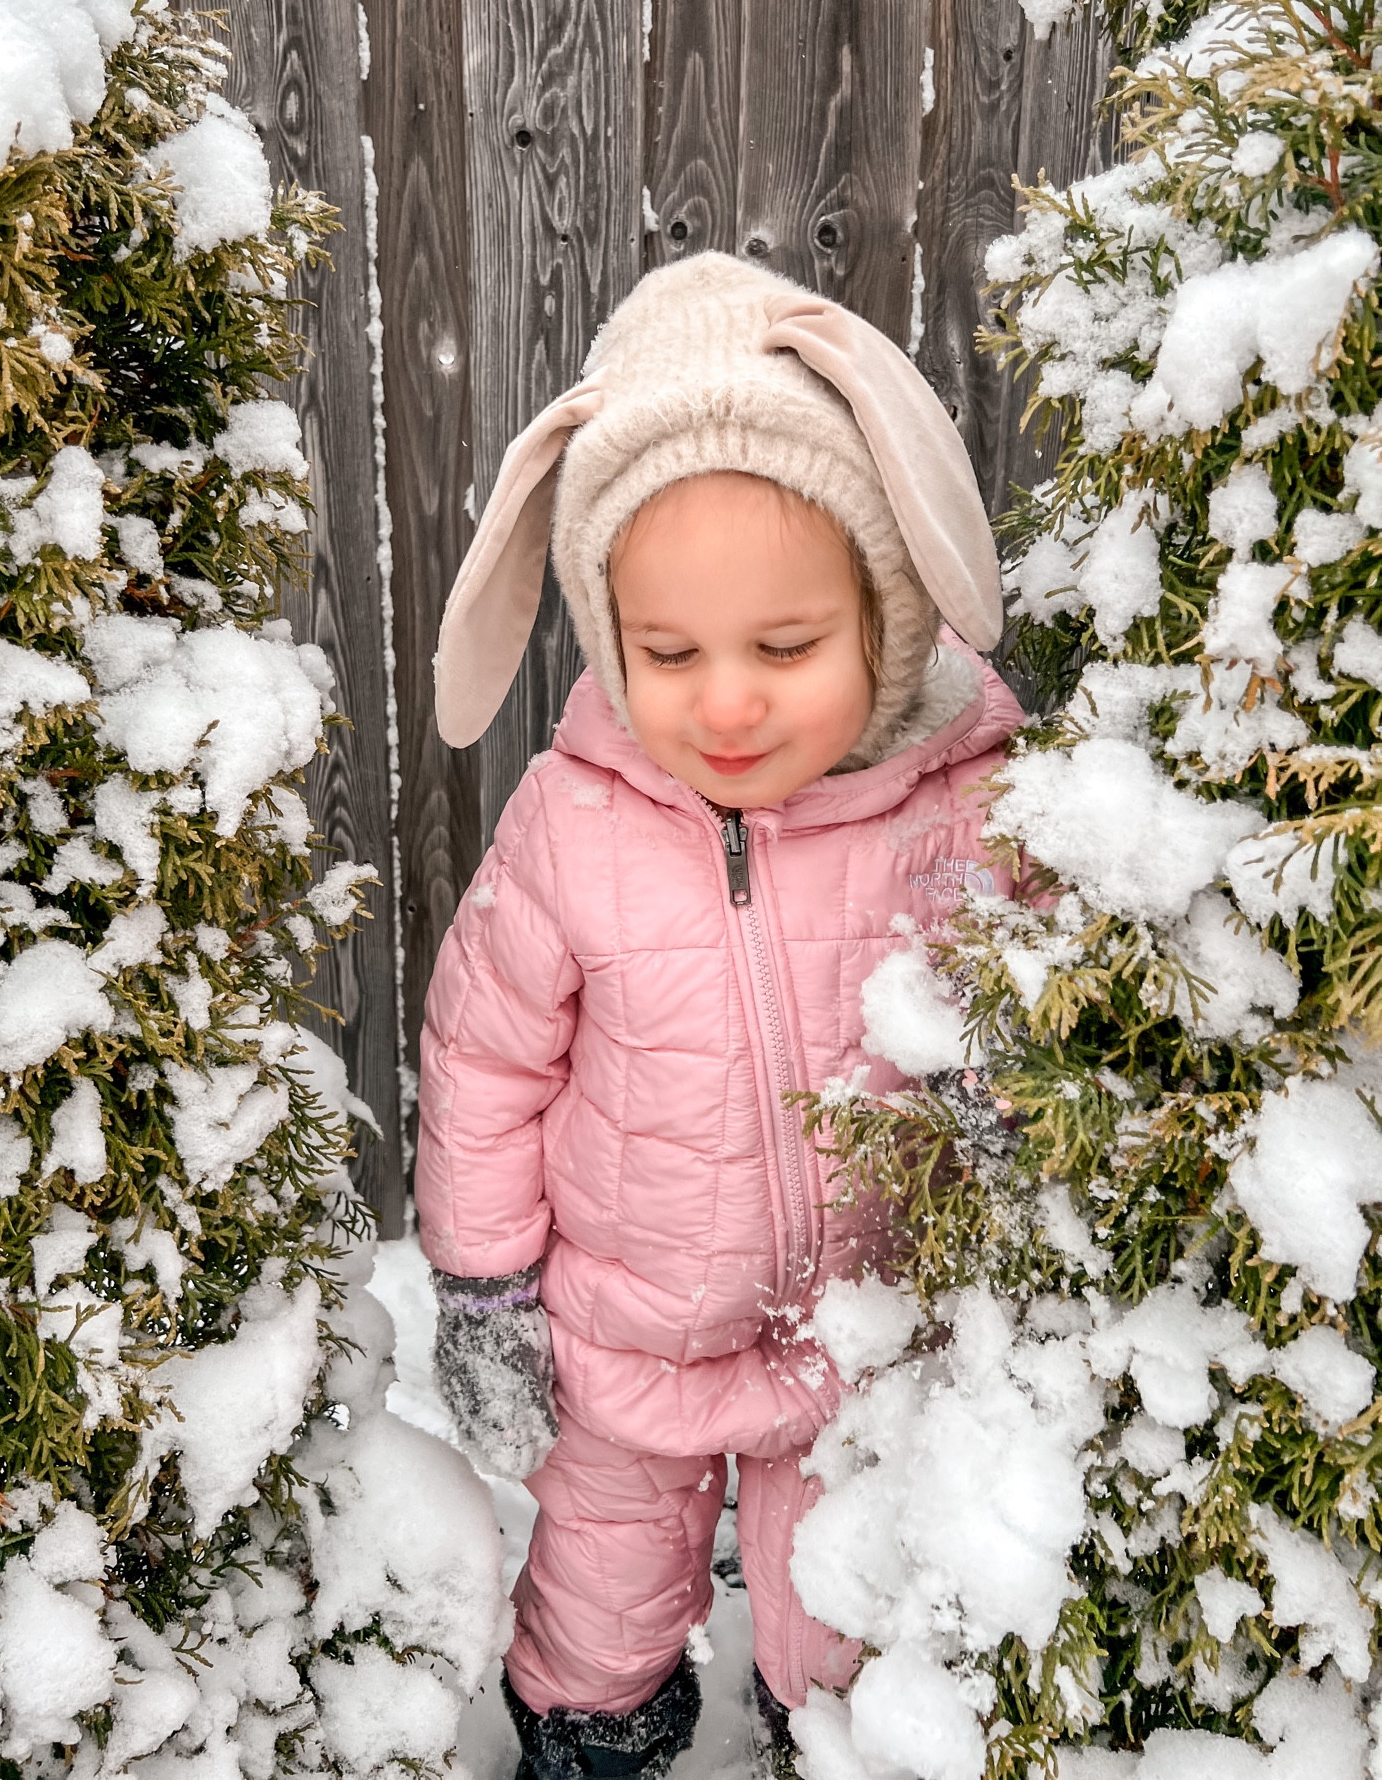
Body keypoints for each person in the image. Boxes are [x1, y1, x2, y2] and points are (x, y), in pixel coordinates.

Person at [417, 251, 1022, 1779]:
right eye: (670, 655)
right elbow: (484, 1061)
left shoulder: (965, 809)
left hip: (870, 1335)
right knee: (600, 1607)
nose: (728, 704)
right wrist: (484, 1289)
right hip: (626, 1337)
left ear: (886, 616)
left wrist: (1013, 1107)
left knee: (851, 1616)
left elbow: (1033, 1008)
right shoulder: (572, 823)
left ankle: (834, 1744)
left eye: (786, 647)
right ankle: (594, 1741)